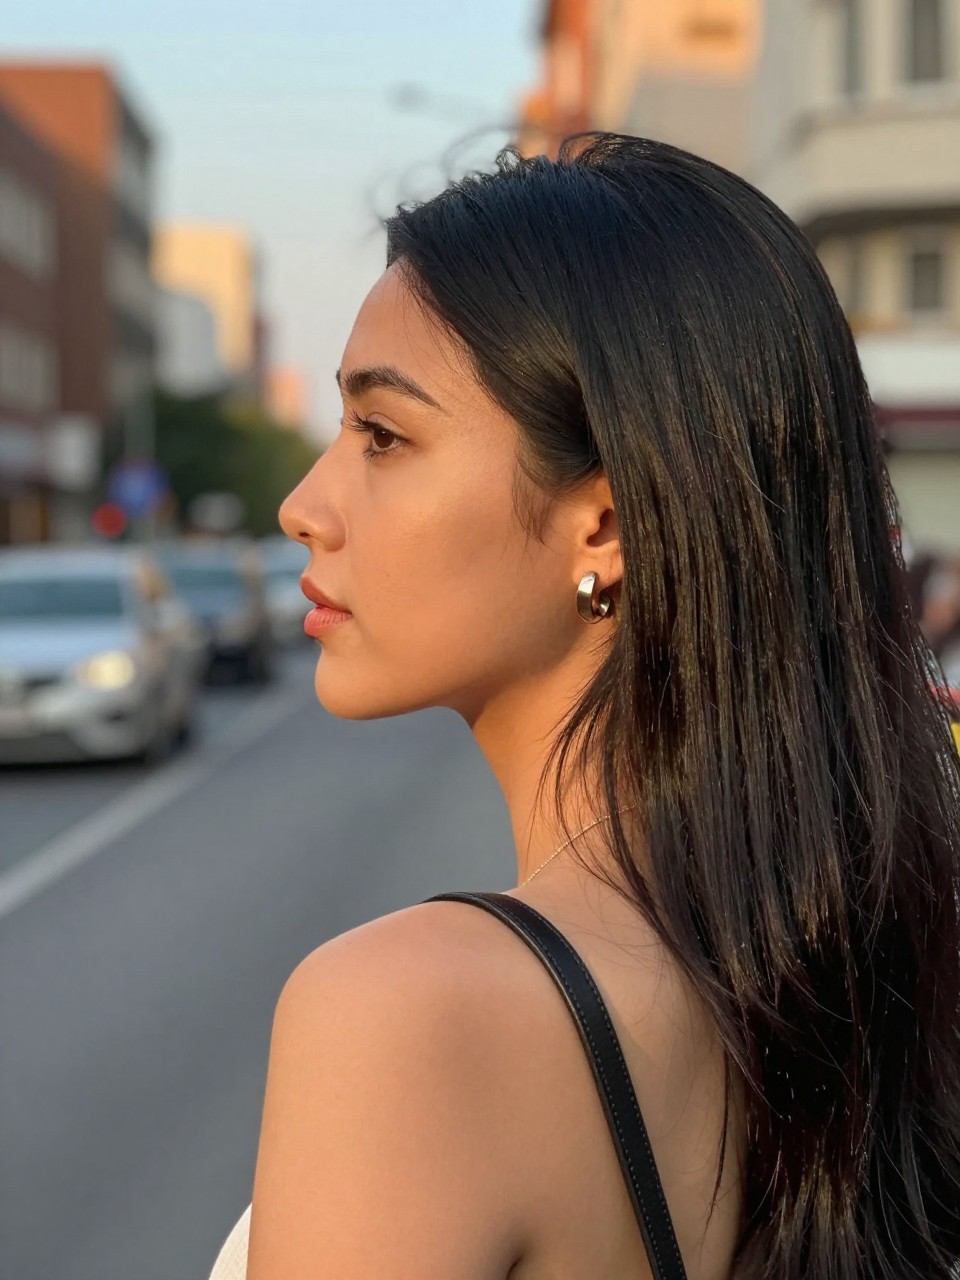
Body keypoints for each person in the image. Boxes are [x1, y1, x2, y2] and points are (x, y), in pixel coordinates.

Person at [207, 134, 960, 1280]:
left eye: (384, 436)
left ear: (603, 523)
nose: (305, 504)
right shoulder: (854, 979)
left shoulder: (406, 1017)